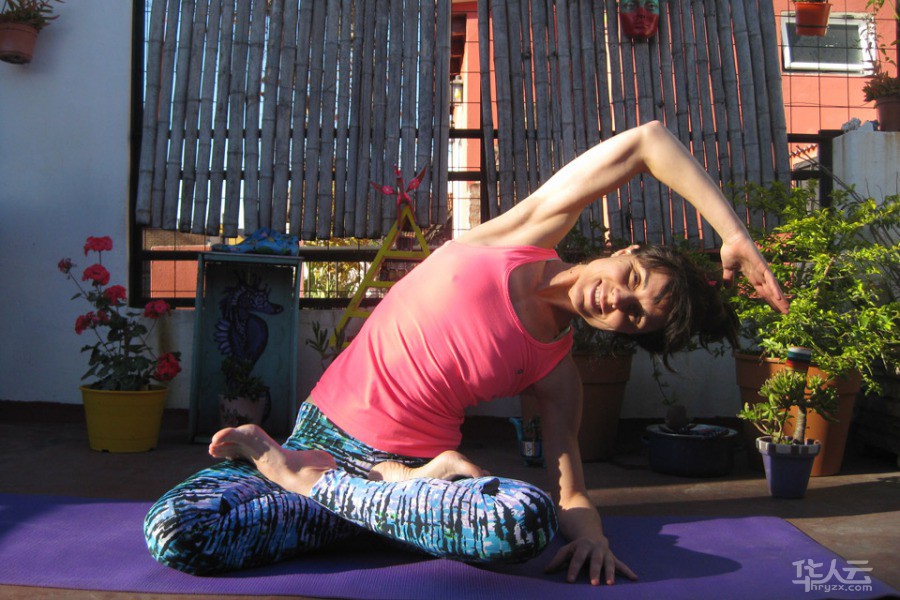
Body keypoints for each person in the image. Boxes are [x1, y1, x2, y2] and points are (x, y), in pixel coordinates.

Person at [144, 121, 788, 586]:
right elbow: (648, 142)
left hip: (414, 477)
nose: (619, 300)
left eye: (636, 316)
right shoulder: (520, 234)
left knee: (524, 522)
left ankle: (323, 489)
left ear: (626, 334)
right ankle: (350, 497)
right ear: (623, 252)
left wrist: (591, 537)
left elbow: (569, 491)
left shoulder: (556, 372)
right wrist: (733, 234)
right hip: (324, 441)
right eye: (635, 280)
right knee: (176, 529)